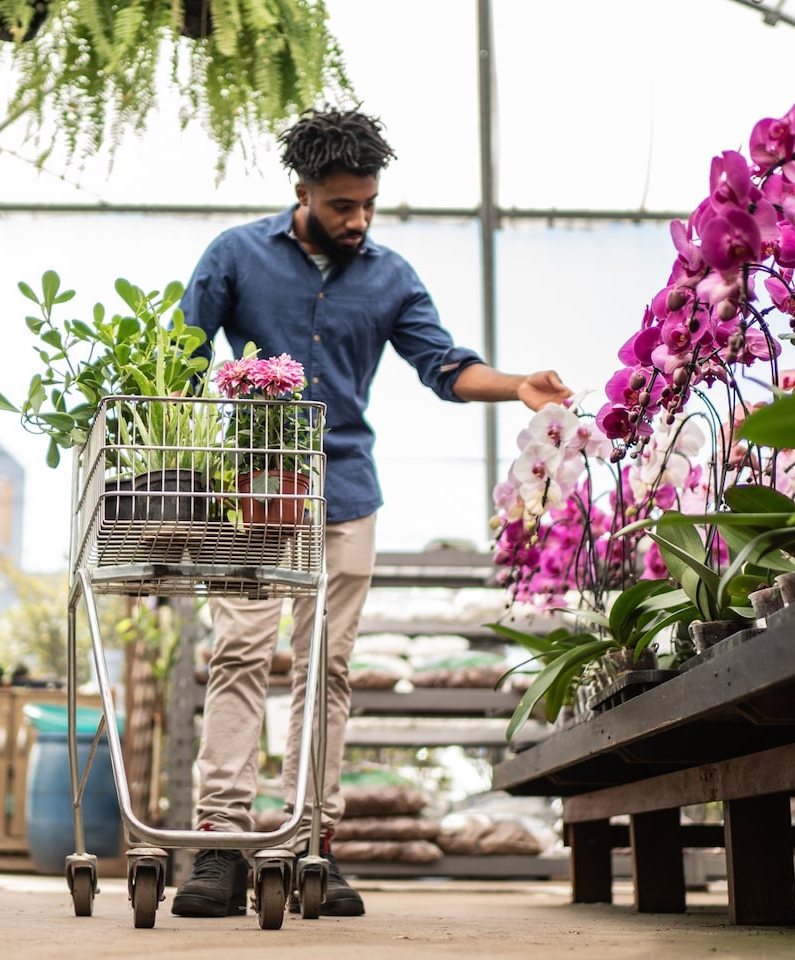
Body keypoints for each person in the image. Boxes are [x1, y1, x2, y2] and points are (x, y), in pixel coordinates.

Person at [171, 108, 570, 919]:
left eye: (368, 205)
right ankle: (222, 843)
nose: (358, 220)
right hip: (250, 490)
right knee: (241, 652)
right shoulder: (236, 255)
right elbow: (181, 356)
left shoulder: (390, 275)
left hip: (346, 492)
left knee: (329, 667)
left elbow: (443, 365)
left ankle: (313, 841)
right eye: (342, 205)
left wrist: (518, 384)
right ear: (304, 191)